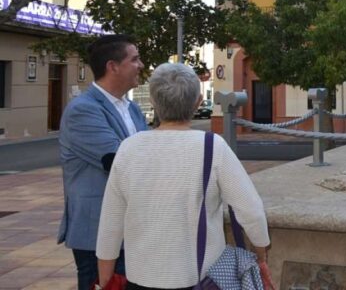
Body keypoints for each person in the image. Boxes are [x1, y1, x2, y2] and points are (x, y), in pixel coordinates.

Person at [96, 63, 274, 290]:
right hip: (201, 279)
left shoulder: (128, 148)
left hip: (141, 279)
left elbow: (110, 224)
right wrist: (261, 254)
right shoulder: (212, 146)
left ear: (153, 102)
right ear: (198, 102)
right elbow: (251, 211)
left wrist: (104, 281)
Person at [58, 34, 147, 290]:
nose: (140, 65)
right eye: (135, 59)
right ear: (113, 66)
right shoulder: (83, 110)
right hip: (97, 235)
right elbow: (119, 162)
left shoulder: (132, 109)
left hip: (131, 231)